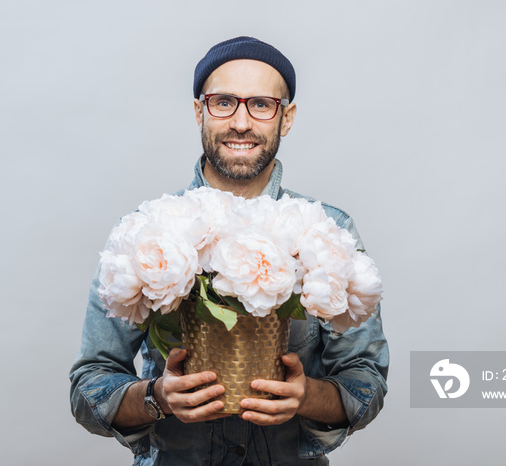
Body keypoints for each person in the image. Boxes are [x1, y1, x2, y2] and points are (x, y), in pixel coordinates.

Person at [69, 36, 389, 466]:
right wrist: (156, 397)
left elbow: (367, 385)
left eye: (261, 104)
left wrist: (307, 396)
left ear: (286, 117)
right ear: (200, 110)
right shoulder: (146, 234)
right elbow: (87, 387)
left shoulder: (329, 232)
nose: (241, 123)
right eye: (223, 102)